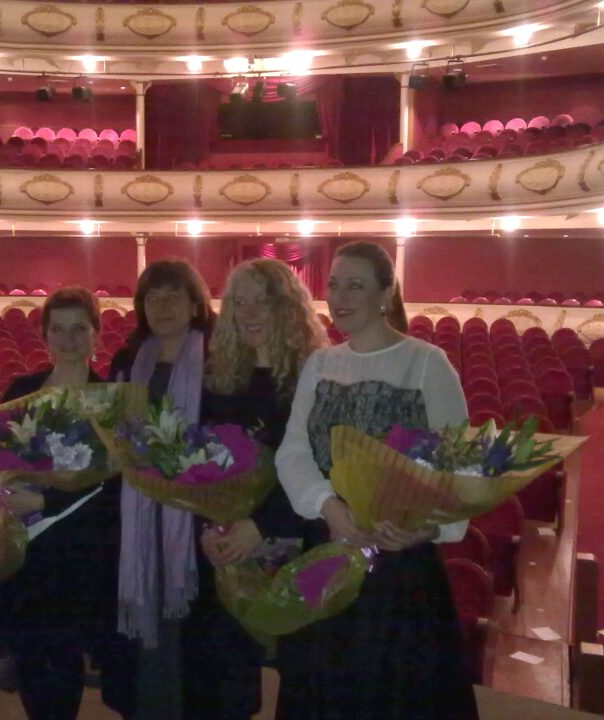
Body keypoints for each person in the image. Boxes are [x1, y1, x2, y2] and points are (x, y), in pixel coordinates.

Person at [273, 241, 480, 720]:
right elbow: (293, 452)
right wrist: (330, 507)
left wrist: (428, 527)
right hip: (329, 549)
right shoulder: (319, 363)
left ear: (386, 294)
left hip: (400, 566)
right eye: (334, 284)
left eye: (356, 285)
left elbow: (460, 465)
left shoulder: (426, 363)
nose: (340, 297)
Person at [182, 258, 329, 719]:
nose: (247, 312)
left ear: (285, 307)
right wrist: (210, 523)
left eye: (261, 301)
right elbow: (202, 463)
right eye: (239, 301)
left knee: (301, 672)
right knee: (225, 672)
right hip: (225, 540)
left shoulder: (316, 376)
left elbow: (322, 466)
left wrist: (259, 526)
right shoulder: (220, 377)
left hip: (293, 537)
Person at [0, 287, 128, 720]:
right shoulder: (22, 389)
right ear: (45, 335)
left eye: (79, 329)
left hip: (80, 556)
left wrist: (44, 499)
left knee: (63, 671)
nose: (68, 339)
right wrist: (0, 491)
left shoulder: (109, 401)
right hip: (24, 552)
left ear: (97, 334)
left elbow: (115, 491)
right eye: (58, 329)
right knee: (31, 668)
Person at [109, 259, 215, 720]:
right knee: (145, 645)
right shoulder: (128, 360)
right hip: (137, 513)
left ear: (196, 304)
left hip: (197, 518)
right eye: (153, 297)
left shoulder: (218, 361)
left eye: (175, 296)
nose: (163, 305)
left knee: (193, 636)